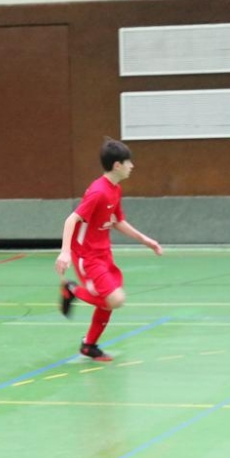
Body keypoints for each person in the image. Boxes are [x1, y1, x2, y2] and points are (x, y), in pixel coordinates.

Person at [55, 138, 163, 361]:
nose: (132, 166)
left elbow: (118, 221)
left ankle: (89, 346)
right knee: (115, 299)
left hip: (104, 253)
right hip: (87, 256)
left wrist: (146, 240)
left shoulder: (115, 189)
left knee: (109, 300)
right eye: (128, 162)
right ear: (117, 165)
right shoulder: (98, 192)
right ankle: (72, 290)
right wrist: (65, 252)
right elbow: (71, 220)